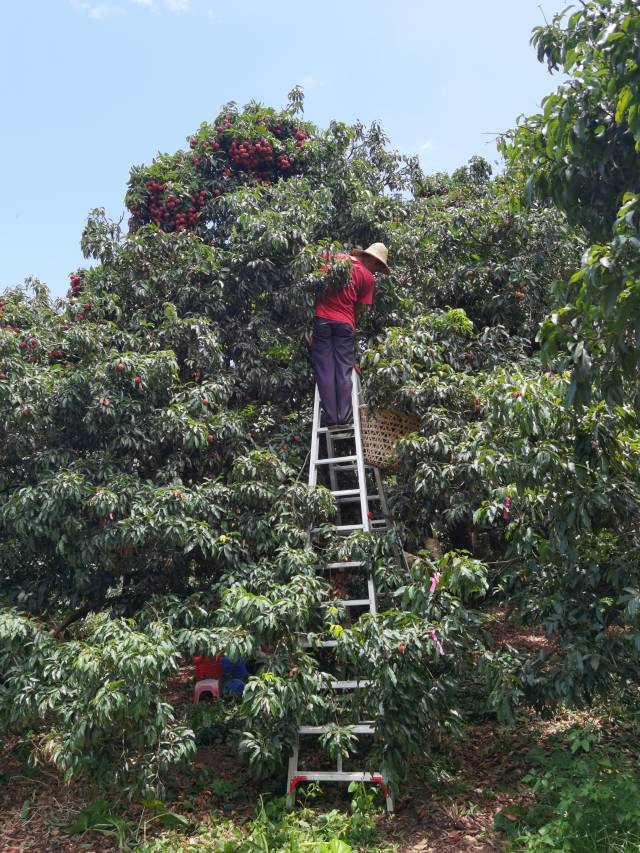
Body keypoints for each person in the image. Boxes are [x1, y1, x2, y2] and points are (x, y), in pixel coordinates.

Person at [310, 242, 390, 427]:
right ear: (369, 257)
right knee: (343, 370)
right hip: (344, 324)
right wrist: (351, 325)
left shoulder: (336, 259)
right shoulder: (367, 278)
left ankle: (332, 417)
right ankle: (343, 417)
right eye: (377, 265)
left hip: (322, 319)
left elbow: (316, 282)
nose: (376, 270)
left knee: (326, 369)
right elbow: (358, 309)